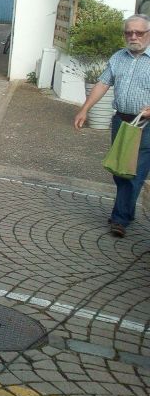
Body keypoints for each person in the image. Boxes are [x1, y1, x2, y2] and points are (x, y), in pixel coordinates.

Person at [73, 14, 150, 238]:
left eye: (139, 32)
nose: (133, 36)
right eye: (129, 32)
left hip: (145, 125)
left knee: (132, 172)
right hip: (121, 121)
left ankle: (120, 219)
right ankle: (127, 211)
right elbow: (103, 83)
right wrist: (84, 109)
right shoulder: (118, 57)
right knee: (120, 169)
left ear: (148, 34)